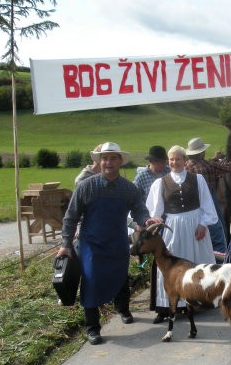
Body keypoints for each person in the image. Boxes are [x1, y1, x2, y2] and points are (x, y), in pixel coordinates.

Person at [58, 142, 158, 345]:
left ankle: (123, 309)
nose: (108, 162)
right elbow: (70, 216)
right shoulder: (87, 187)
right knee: (91, 281)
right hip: (91, 245)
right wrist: (65, 243)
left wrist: (146, 220)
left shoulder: (128, 189)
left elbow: (138, 209)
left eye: (113, 158)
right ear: (99, 161)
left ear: (120, 162)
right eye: (105, 158)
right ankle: (92, 327)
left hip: (117, 242)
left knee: (120, 276)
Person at [146, 145, 217, 318]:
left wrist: (203, 224)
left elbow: (208, 206)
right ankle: (168, 305)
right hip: (173, 228)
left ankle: (199, 300)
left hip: (195, 226)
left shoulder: (197, 179)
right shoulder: (160, 183)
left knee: (197, 264)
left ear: (185, 161)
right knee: (171, 267)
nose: (175, 162)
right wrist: (156, 225)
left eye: (178, 159)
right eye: (171, 159)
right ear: (168, 161)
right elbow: (155, 212)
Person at [185, 137, 231, 254]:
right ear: (201, 153)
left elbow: (204, 163)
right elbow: (226, 167)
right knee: (218, 226)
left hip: (192, 204)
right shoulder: (208, 166)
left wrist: (214, 158)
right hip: (208, 200)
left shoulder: (186, 166)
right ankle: (221, 254)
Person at [132, 145, 170, 323]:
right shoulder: (141, 177)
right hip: (149, 223)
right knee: (152, 258)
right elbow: (135, 200)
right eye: (158, 162)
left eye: (163, 162)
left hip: (168, 221)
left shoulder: (169, 173)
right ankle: (159, 301)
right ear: (151, 162)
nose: (161, 165)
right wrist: (141, 222)